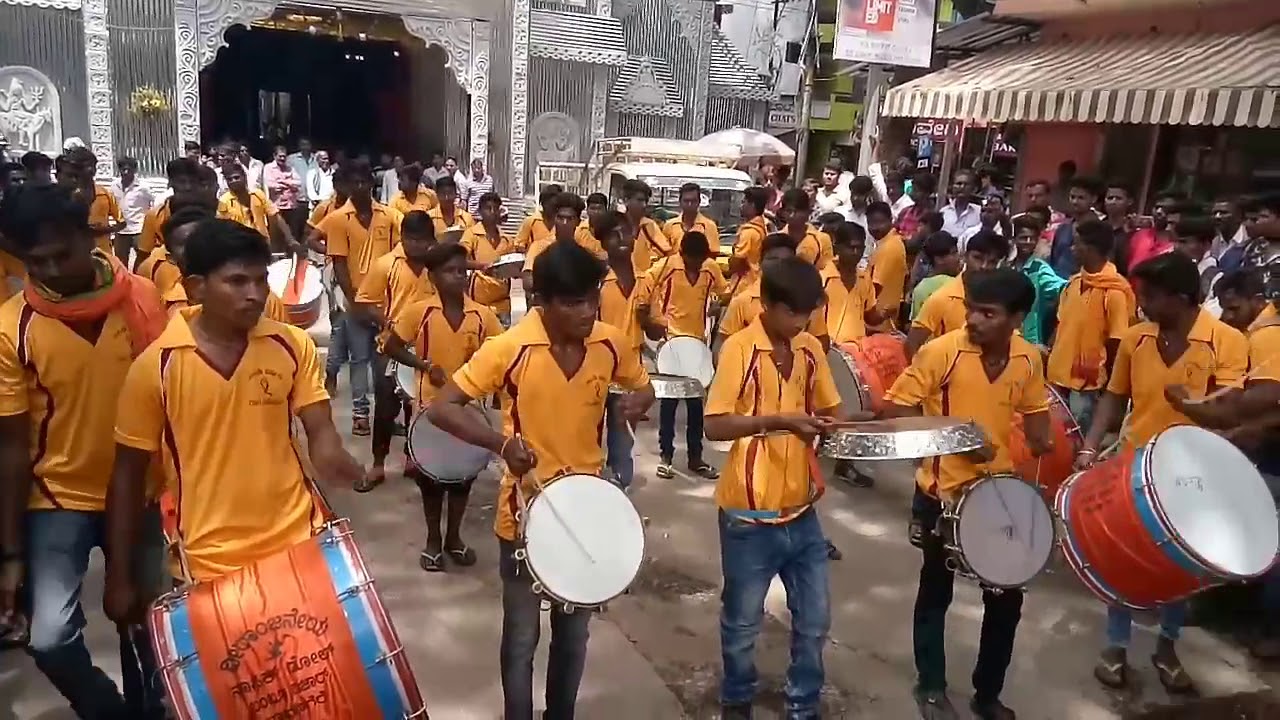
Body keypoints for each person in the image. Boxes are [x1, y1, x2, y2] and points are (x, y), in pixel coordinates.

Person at [426, 241, 654, 720]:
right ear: (541, 301)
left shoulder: (611, 343)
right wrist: (500, 444)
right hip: (524, 517)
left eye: (593, 299)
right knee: (522, 640)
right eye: (573, 303)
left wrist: (639, 400)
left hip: (588, 514)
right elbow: (442, 407)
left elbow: (643, 385)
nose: (588, 312)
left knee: (573, 638)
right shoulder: (509, 349)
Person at [105, 216, 363, 631]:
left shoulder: (291, 345)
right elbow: (127, 476)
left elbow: (319, 425)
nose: (255, 294)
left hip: (297, 543)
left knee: (312, 684)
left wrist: (331, 451)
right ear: (195, 287)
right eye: (237, 281)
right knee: (241, 689)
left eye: (261, 281)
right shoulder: (155, 368)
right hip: (208, 562)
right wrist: (119, 575)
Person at [0, 183, 169, 719]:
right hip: (58, 499)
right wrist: (9, 554)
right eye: (35, 261)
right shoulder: (11, 329)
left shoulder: (142, 298)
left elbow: (173, 397)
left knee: (146, 630)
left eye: (61, 254)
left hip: (142, 490)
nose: (50, 270)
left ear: (89, 237)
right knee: (49, 639)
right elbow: (9, 446)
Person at [1075, 252, 1249, 694]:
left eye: (1151, 297)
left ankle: (1167, 647)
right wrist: (1092, 446)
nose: (1143, 305)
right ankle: (1115, 647)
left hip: (1197, 470)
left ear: (1183, 298)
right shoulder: (1136, 339)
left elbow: (1231, 411)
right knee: (1122, 559)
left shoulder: (1228, 342)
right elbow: (1114, 397)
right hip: (1136, 463)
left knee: (1183, 568)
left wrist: (1191, 405)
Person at [883, 268, 1052, 720]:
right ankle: (931, 686)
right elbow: (897, 412)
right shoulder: (942, 352)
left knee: (1005, 601)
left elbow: (1036, 420)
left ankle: (987, 695)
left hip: (996, 493)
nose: (974, 320)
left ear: (1017, 318)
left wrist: (1047, 441)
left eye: (988, 313)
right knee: (936, 592)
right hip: (941, 494)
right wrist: (959, 436)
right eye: (972, 309)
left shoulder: (1029, 359)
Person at [706, 256, 860, 719]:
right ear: (767, 305)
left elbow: (835, 410)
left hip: (802, 509)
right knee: (742, 622)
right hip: (747, 515)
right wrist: (777, 421)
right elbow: (714, 425)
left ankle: (803, 705)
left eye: (808, 314)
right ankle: (736, 696)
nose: (801, 322)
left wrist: (836, 426)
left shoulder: (811, 348)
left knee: (814, 622)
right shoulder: (738, 349)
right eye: (792, 313)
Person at [1166, 269, 1280, 659]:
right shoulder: (1255, 333)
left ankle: (1269, 627)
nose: (1227, 316)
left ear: (1256, 298)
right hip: (1267, 450)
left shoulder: (1269, 334)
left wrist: (1192, 410)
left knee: (1263, 530)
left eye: (1233, 307)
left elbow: (1259, 399)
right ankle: (1231, 608)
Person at [383, 242, 500, 570]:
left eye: (462, 270)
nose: (458, 277)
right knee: (431, 481)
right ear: (433, 277)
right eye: (450, 271)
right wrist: (422, 365)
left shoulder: (483, 315)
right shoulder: (418, 312)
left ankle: (454, 538)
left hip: (468, 411)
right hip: (428, 411)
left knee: (464, 477)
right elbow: (390, 346)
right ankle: (433, 540)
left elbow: (499, 355)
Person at [317, 161, 404, 437]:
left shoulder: (390, 216)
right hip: (355, 302)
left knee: (387, 364)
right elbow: (340, 264)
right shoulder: (338, 219)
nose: (359, 187)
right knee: (359, 359)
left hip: (386, 304)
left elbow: (403, 249)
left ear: (371, 184)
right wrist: (356, 301)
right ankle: (360, 413)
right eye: (353, 183)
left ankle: (387, 416)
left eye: (363, 182)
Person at [352, 209, 438, 490]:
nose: (417, 246)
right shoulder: (385, 264)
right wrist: (385, 319)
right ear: (402, 238)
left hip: (425, 347)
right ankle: (377, 465)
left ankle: (412, 460)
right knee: (386, 407)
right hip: (389, 346)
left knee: (420, 406)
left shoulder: (435, 266)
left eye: (423, 240)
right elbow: (363, 301)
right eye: (411, 240)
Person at [639, 230, 726, 479]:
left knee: (696, 407)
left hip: (697, 343)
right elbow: (645, 286)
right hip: (671, 342)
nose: (696, 264)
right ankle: (665, 457)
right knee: (668, 404)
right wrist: (649, 319)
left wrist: (719, 304)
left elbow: (724, 291)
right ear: (682, 254)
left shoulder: (710, 269)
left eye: (700, 260)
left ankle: (695, 458)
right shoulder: (667, 266)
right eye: (692, 259)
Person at [1045, 218, 1135, 432]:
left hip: (1087, 383)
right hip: (1058, 374)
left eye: (1077, 244)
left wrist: (1110, 385)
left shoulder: (1114, 292)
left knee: (1079, 434)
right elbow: (1061, 323)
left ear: (1092, 249)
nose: (1072, 249)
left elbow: (1117, 340)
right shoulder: (1074, 283)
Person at [595, 211, 653, 491]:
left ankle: (618, 495)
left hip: (630, 376)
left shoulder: (646, 280)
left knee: (622, 442)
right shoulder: (596, 280)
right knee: (587, 441)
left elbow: (655, 332)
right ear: (603, 242)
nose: (621, 239)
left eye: (625, 232)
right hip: (595, 371)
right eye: (612, 235)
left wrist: (648, 321)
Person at [906, 230, 1009, 359]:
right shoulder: (942, 299)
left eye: (992, 262)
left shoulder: (1002, 301)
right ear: (965, 256)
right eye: (978, 258)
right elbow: (912, 344)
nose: (984, 266)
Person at [721, 233, 829, 348]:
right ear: (760, 262)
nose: (779, 265)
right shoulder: (741, 302)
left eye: (786, 261)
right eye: (773, 259)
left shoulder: (808, 301)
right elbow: (724, 344)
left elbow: (821, 340)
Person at [1008, 214, 1067, 346]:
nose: (1028, 242)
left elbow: (1063, 288)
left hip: (1029, 338)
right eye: (1023, 238)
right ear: (1014, 239)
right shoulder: (1006, 265)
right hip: (1004, 333)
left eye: (1032, 238)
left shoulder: (1039, 268)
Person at [461, 191, 518, 326]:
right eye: (488, 208)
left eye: (495, 209)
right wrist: (481, 266)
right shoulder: (472, 234)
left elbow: (514, 267)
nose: (491, 212)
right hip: (479, 302)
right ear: (480, 211)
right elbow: (461, 260)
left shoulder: (507, 240)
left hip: (502, 303)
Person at [216, 162, 296, 250]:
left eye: (236, 177)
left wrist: (290, 240)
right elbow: (221, 228)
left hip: (262, 245)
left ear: (245, 177)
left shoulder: (258, 194)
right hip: (239, 249)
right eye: (229, 179)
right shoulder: (224, 201)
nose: (233, 181)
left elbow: (276, 216)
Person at [138, 157, 201, 261]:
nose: (188, 187)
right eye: (182, 182)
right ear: (171, 182)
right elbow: (143, 256)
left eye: (192, 181)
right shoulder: (155, 215)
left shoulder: (211, 213)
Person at [1048, 176, 1103, 279]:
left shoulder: (1100, 229)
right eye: (1072, 197)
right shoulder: (1063, 228)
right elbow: (1053, 259)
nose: (1075, 202)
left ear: (1093, 199)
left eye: (1081, 198)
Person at [1171, 216, 1223, 311]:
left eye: (1183, 242)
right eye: (1175, 242)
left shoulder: (1216, 277)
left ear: (1206, 244)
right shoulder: (1174, 269)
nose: (1176, 247)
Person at [109, 156, 153, 265]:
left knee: (143, 261)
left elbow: (155, 202)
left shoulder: (143, 187)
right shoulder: (114, 186)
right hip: (121, 230)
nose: (125, 172)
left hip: (138, 229)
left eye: (128, 169)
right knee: (120, 263)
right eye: (123, 169)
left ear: (134, 170)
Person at [728, 186, 771, 296]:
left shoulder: (749, 232)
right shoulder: (762, 227)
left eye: (743, 202)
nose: (741, 206)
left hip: (744, 285)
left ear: (752, 205)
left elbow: (738, 262)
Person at [910, 232, 962, 321]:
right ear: (939, 259)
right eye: (953, 253)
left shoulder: (920, 289)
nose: (958, 258)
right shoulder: (958, 283)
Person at [621, 179, 671, 272]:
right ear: (626, 201)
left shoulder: (650, 226)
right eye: (639, 200)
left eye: (646, 201)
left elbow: (665, 254)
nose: (644, 205)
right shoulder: (615, 225)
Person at [779, 189, 831, 269]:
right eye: (789, 211)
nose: (792, 215)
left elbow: (827, 270)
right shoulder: (775, 239)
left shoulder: (822, 240)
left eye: (796, 211)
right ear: (782, 213)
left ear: (808, 212)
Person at [663, 182, 720, 252]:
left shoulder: (709, 226)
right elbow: (664, 252)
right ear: (680, 201)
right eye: (686, 201)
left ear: (699, 202)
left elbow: (713, 253)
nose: (689, 204)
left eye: (693, 201)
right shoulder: (669, 225)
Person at [1102, 182, 1136, 274]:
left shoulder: (1134, 233)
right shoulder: (1097, 227)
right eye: (1110, 198)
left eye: (1118, 198)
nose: (1113, 202)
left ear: (1129, 201)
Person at [515, 183, 560, 251]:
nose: (553, 209)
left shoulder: (562, 223)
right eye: (550, 205)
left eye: (556, 206)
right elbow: (518, 245)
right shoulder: (531, 221)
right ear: (542, 203)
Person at [940, 169, 982, 239]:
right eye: (958, 184)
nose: (962, 187)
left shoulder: (979, 212)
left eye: (966, 184)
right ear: (952, 187)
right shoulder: (943, 212)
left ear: (973, 189)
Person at [896, 172, 937, 240]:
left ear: (927, 192)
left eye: (916, 190)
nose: (912, 193)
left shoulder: (931, 215)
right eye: (913, 189)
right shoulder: (905, 211)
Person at [1212, 197, 1249, 270]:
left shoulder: (1250, 239)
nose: (1217, 217)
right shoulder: (1213, 243)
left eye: (1224, 213)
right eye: (1214, 213)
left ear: (1239, 216)